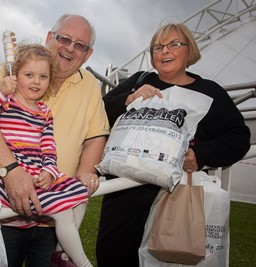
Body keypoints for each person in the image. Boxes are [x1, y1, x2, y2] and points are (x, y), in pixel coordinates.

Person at [96, 23, 251, 267]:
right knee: (113, 255)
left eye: (174, 44)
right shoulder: (140, 80)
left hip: (175, 193)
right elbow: (99, 111)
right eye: (158, 46)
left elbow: (239, 137)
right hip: (123, 191)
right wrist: (130, 97)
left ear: (189, 51)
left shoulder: (209, 92)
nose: (165, 51)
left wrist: (200, 155)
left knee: (167, 257)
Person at [0, 14, 109, 267]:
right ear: (49, 37)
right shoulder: (13, 69)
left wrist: (85, 172)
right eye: (64, 38)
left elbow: (95, 135)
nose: (70, 48)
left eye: (80, 45)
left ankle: (65, 254)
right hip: (5, 210)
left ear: (88, 55)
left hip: (50, 212)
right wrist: (10, 171)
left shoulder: (89, 86)